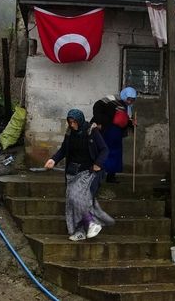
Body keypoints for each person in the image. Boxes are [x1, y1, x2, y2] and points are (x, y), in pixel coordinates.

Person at [44, 109, 114, 241]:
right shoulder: (70, 133)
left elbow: (104, 149)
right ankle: (80, 231)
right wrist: (53, 159)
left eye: (74, 122)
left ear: (80, 121)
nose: (72, 125)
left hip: (88, 171)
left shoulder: (91, 131)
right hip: (73, 172)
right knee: (71, 201)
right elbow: (64, 150)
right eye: (70, 122)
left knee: (79, 198)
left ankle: (91, 224)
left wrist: (98, 163)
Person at [91, 87, 137, 183]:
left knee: (115, 154)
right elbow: (97, 106)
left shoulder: (128, 108)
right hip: (105, 130)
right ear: (124, 95)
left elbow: (123, 120)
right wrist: (98, 122)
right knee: (103, 151)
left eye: (132, 100)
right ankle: (97, 175)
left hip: (116, 133)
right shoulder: (111, 99)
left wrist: (131, 123)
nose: (129, 102)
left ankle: (111, 176)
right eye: (128, 99)